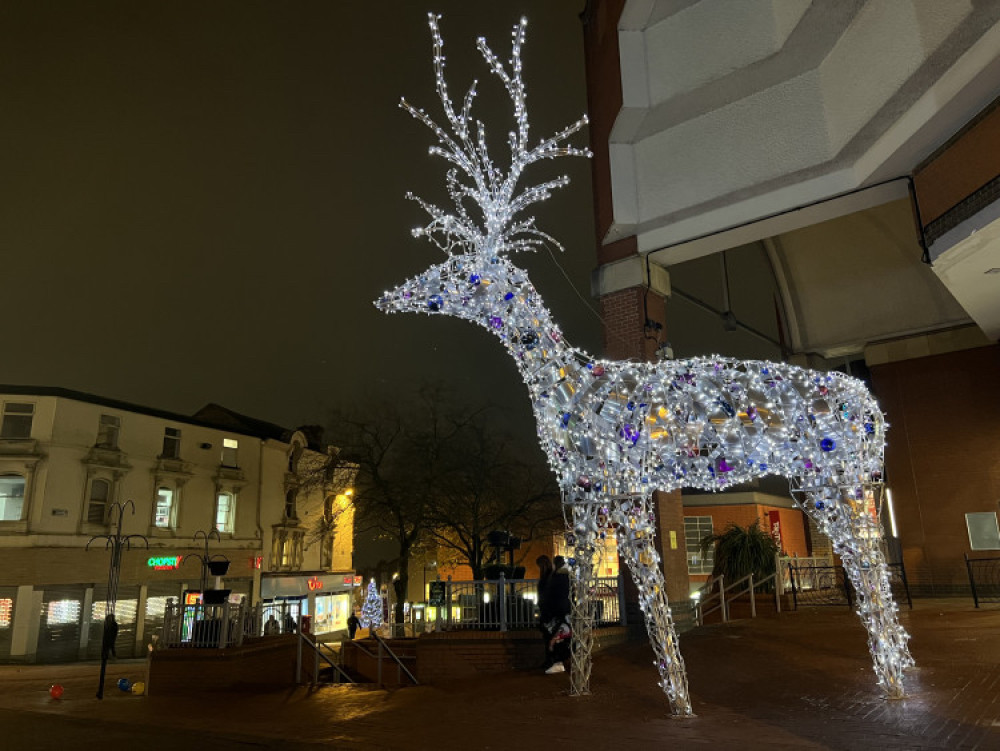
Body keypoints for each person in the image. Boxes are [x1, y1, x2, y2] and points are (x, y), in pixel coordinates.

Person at [544, 555, 572, 674]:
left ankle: (559, 662)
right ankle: (562, 661)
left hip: (559, 611)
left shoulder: (558, 577)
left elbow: (553, 595)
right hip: (564, 610)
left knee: (557, 637)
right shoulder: (566, 577)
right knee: (562, 636)